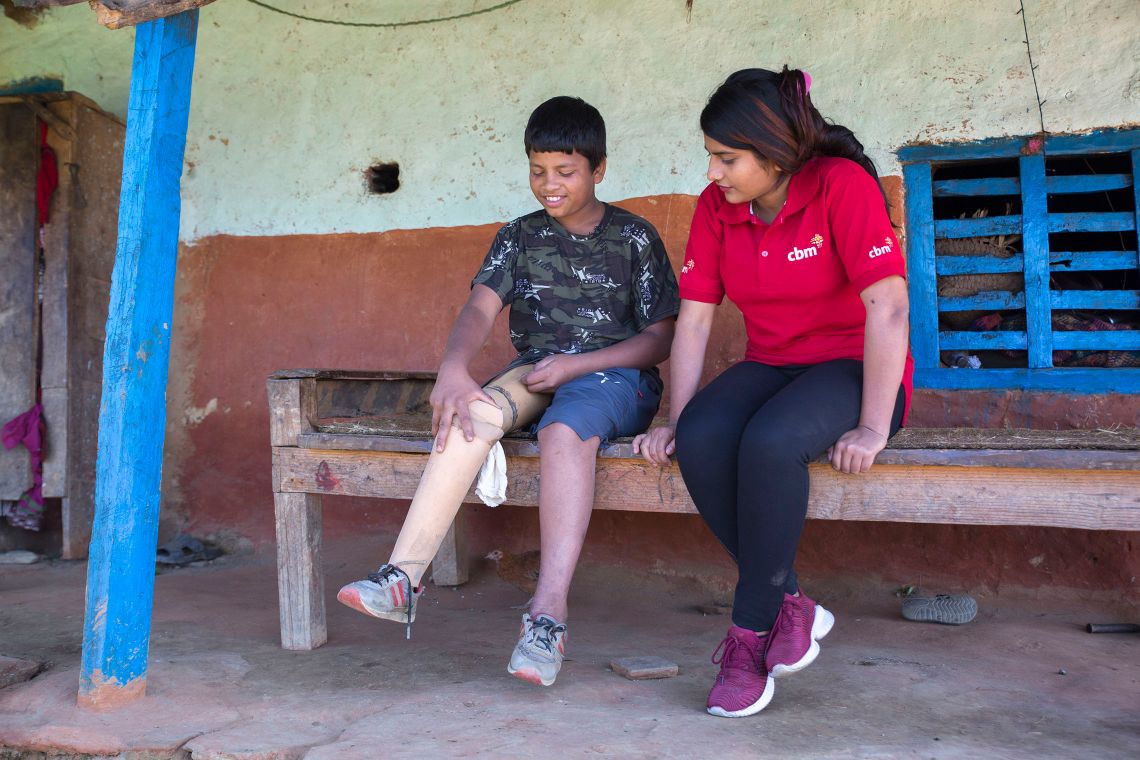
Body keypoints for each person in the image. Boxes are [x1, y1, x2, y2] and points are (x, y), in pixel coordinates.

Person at [338, 96, 680, 687]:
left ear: (599, 169)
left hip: (615, 376)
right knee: (469, 411)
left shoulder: (633, 237)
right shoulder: (519, 236)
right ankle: (403, 577)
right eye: (537, 170)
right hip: (538, 370)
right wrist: (454, 368)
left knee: (562, 433)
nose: (550, 184)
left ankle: (547, 617)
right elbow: (480, 307)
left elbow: (659, 339)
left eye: (566, 172)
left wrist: (578, 366)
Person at [634, 67, 912, 718]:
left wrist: (874, 425)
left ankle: (747, 638)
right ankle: (789, 602)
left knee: (770, 441)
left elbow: (889, 308)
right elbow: (695, 319)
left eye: (727, 158)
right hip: (772, 363)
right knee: (702, 434)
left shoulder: (840, 185)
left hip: (855, 368)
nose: (714, 173)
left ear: (775, 153)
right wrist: (673, 416)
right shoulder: (716, 208)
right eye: (711, 156)